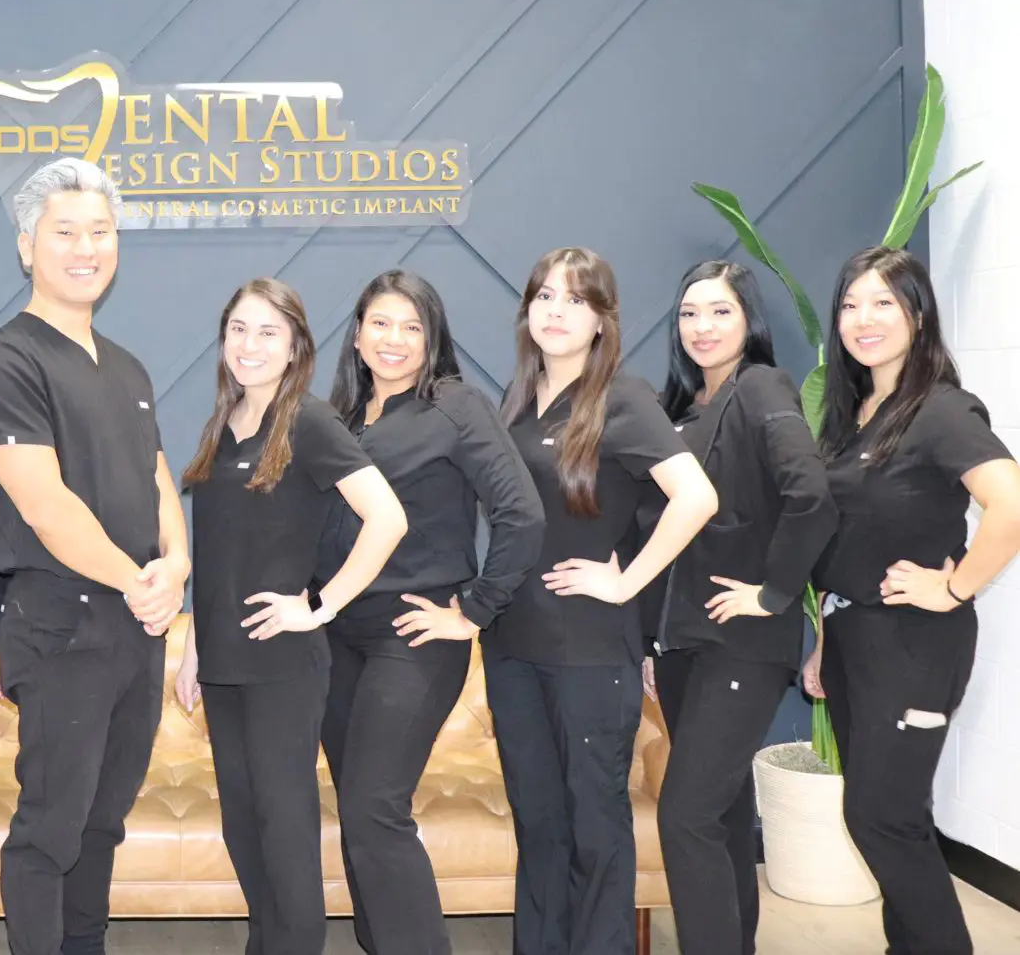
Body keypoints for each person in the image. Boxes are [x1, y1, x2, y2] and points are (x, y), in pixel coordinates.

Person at [0, 157, 189, 955]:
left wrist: (176, 568)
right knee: (50, 829)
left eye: (100, 232)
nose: (85, 247)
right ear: (27, 246)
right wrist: (140, 581)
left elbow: (157, 478)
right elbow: (47, 505)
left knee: (102, 821)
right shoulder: (8, 361)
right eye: (65, 232)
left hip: (135, 628)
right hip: (62, 630)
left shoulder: (125, 366)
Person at [489, 246, 717, 955]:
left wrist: (624, 580)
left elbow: (697, 497)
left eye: (576, 299)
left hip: (588, 650)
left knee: (595, 829)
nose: (557, 310)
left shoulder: (622, 396)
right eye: (545, 296)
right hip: (512, 647)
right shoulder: (520, 400)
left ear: (602, 321)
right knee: (540, 826)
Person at [174, 277, 404, 955]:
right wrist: (192, 645)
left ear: (296, 344)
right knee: (242, 827)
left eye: (268, 331)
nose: (250, 344)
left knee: (285, 828)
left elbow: (387, 518)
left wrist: (321, 605)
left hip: (283, 663)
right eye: (239, 329)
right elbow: (216, 551)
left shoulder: (309, 420)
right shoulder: (223, 422)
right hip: (220, 661)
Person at [319, 269, 546, 955]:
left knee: (372, 807)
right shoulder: (340, 418)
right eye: (380, 324)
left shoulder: (453, 403)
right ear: (356, 335)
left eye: (411, 326)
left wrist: (473, 610)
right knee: (359, 812)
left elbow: (521, 514)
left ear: (431, 338)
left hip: (413, 634)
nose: (394, 339)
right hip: (336, 637)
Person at [810, 246, 1020, 955]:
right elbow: (840, 536)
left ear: (917, 313)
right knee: (896, 816)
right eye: (850, 304)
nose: (862, 319)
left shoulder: (940, 408)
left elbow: (1011, 502)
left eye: (882, 303)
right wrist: (821, 637)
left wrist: (955, 585)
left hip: (913, 644)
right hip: (852, 639)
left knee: (879, 818)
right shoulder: (857, 411)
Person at [641, 260, 835, 955]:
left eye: (720, 311)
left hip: (741, 644)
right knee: (721, 816)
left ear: (748, 321)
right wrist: (649, 640)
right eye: (690, 313)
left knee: (684, 816)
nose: (702, 326)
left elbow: (811, 495)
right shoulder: (685, 412)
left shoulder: (762, 387)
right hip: (686, 644)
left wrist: (777, 593)